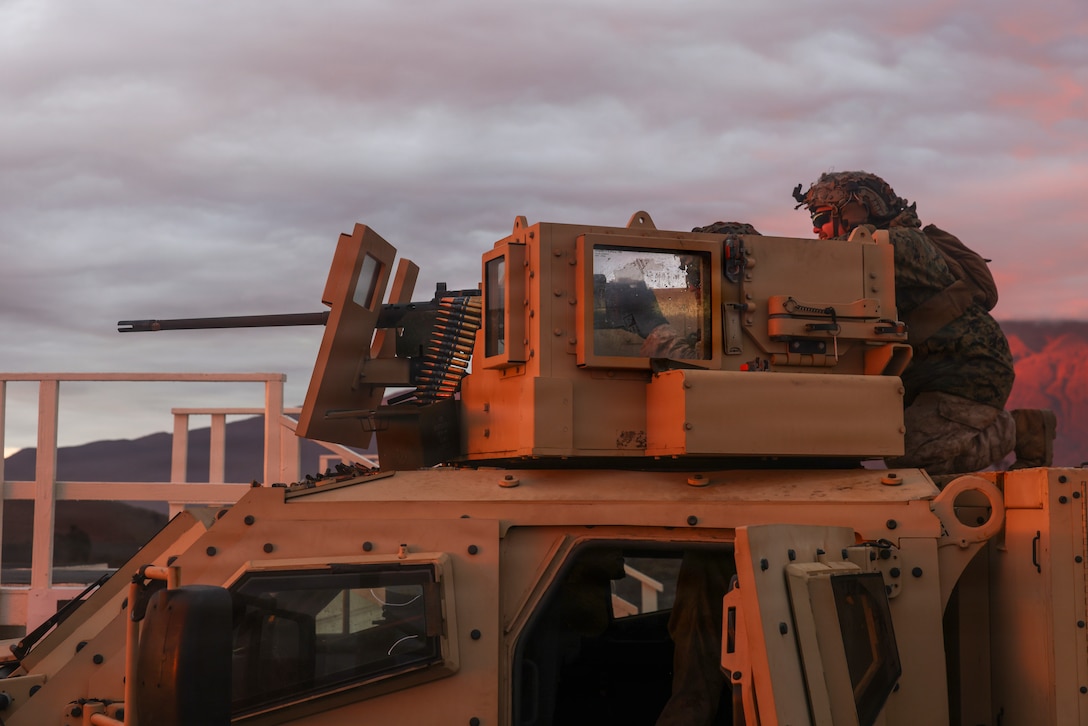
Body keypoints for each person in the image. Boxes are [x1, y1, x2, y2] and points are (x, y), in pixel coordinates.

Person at [793, 171, 1018, 474]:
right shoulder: (878, 245)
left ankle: (1016, 430)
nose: (816, 229)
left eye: (821, 219)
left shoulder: (897, 247)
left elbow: (817, 276)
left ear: (856, 211)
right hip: (924, 370)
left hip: (968, 373)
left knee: (908, 454)